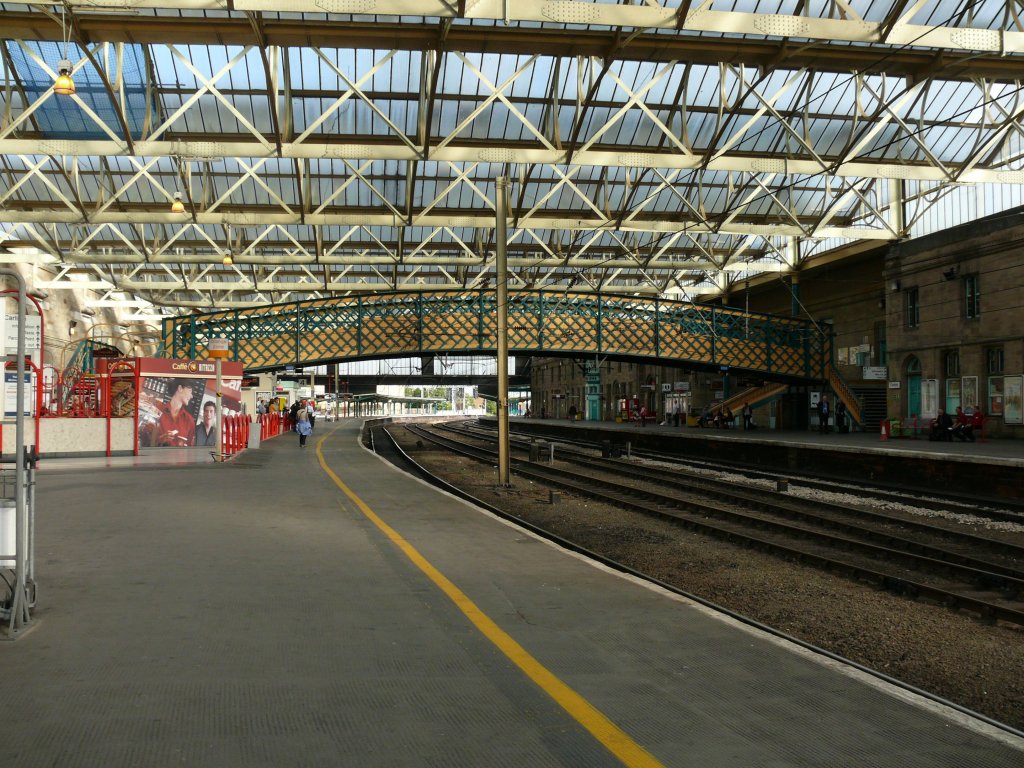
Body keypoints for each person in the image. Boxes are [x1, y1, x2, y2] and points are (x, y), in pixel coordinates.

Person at [156, 381, 197, 447]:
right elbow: (147, 442)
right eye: (190, 391)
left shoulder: (190, 421)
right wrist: (161, 440)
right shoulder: (158, 411)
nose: (191, 396)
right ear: (180, 388)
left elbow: (189, 449)